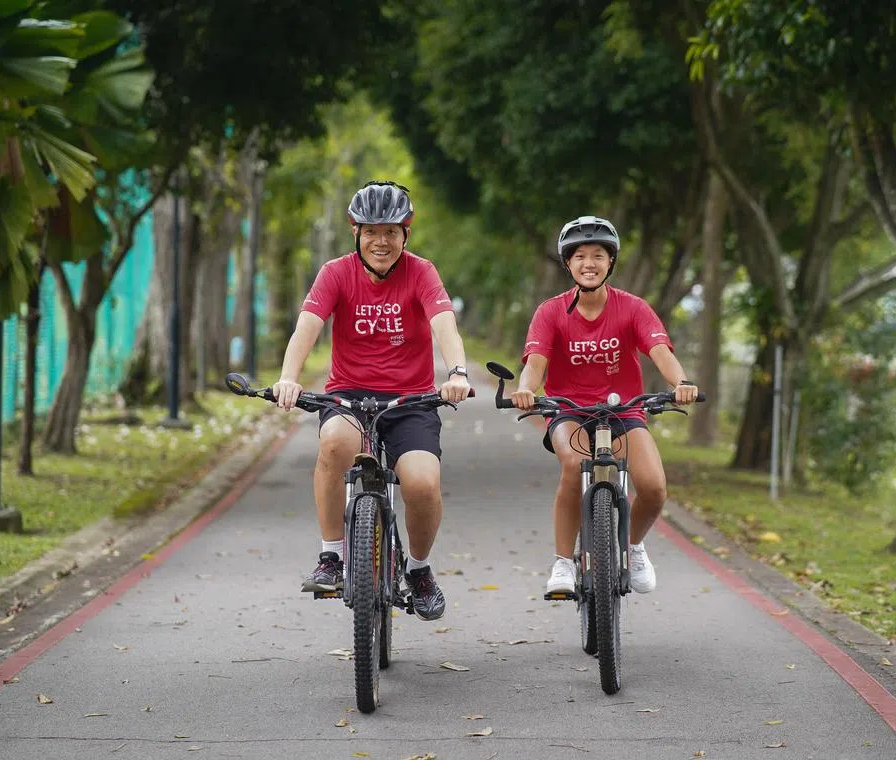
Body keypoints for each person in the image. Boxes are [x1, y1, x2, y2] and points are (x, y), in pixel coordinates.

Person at [271, 180, 471, 621]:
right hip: (349, 397)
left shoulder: (421, 272)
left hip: (410, 401)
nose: (381, 242)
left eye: (391, 232)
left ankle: (418, 570)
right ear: (355, 233)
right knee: (333, 445)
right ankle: (332, 556)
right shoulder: (335, 273)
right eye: (371, 232)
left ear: (406, 233)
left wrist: (456, 371)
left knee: (421, 483)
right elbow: (307, 327)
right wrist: (289, 378)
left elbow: (443, 325)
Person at [510, 215, 698, 596]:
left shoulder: (632, 308)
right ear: (568, 263)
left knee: (654, 487)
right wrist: (527, 390)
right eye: (579, 256)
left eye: (598, 255)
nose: (589, 263)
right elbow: (534, 365)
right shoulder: (550, 312)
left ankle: (633, 545)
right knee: (574, 464)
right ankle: (564, 562)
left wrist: (680, 383)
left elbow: (659, 351)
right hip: (569, 410)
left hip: (625, 411)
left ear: (611, 262)